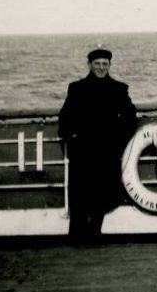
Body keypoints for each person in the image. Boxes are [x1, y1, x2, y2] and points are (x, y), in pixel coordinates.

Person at [58, 48, 137, 241]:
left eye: (104, 64)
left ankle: (94, 234)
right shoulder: (76, 88)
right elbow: (64, 119)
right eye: (97, 64)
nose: (101, 68)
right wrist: (73, 139)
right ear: (89, 65)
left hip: (107, 152)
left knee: (102, 197)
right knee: (80, 197)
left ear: (109, 66)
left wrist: (120, 144)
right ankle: (77, 237)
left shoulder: (119, 89)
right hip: (82, 152)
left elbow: (131, 119)